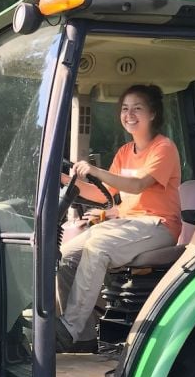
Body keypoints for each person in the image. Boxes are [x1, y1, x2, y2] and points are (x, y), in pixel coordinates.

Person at [56, 84, 182, 352]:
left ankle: (68, 328)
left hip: (158, 225)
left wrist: (96, 171)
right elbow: (105, 196)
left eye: (137, 108)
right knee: (65, 257)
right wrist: (65, 179)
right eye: (125, 109)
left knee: (98, 246)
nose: (129, 114)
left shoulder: (164, 148)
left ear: (153, 114)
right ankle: (83, 340)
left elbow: (137, 185)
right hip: (127, 224)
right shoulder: (125, 152)